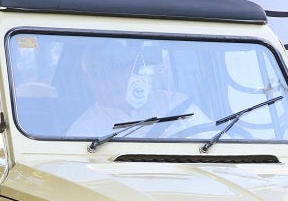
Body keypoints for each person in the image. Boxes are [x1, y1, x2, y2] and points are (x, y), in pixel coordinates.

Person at [66, 40, 206, 138]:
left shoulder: (174, 103)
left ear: (129, 70)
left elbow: (213, 140)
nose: (108, 80)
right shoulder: (83, 130)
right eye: (98, 73)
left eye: (115, 68)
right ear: (87, 80)